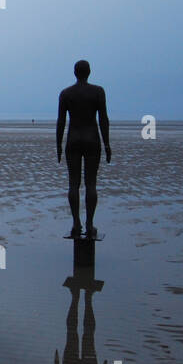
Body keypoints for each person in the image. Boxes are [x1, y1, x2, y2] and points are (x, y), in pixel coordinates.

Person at [56, 60, 111, 239]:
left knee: (73, 184)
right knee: (91, 184)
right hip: (92, 140)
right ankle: (89, 223)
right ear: (89, 72)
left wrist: (58, 144)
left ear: (75, 73)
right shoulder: (98, 92)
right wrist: (107, 143)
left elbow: (61, 122)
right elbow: (103, 119)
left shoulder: (66, 94)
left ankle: (76, 223)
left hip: (73, 140)